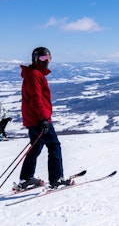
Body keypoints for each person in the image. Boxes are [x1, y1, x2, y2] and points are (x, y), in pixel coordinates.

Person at [18, 47, 72, 190]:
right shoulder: (35, 74)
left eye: (48, 58)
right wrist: (43, 119)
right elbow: (36, 99)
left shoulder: (33, 74)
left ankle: (26, 179)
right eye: (43, 59)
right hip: (38, 119)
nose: (46, 62)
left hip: (32, 119)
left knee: (35, 147)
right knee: (54, 146)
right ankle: (56, 180)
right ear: (35, 59)